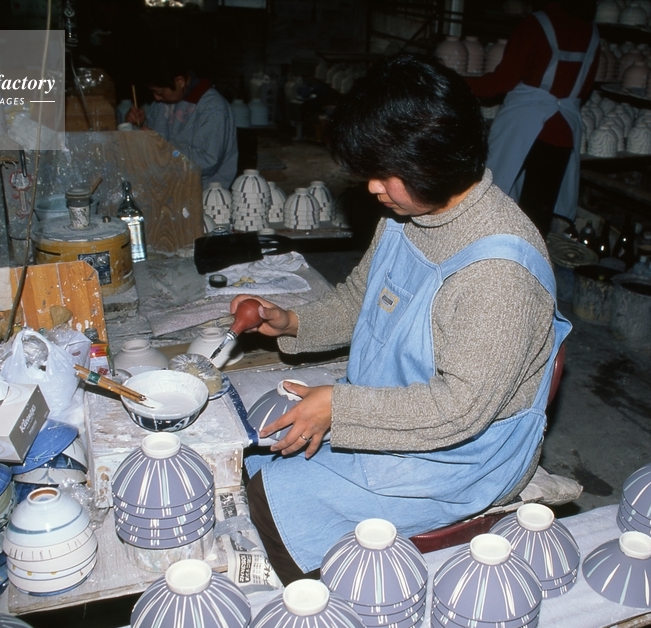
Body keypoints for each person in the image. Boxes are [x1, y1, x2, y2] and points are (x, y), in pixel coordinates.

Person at [233, 53, 571, 584]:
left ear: (432, 161)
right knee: (251, 444)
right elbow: (358, 301)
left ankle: (319, 611)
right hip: (400, 408)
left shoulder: (500, 273)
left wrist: (340, 407)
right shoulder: (409, 213)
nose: (372, 187)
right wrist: (292, 321)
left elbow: (458, 411)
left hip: (464, 456)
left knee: (271, 499)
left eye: (384, 173)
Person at [467, 1, 600, 237]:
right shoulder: (591, 32)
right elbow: (586, 86)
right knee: (537, 218)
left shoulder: (535, 24)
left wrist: (458, 82)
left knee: (495, 201)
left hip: (525, 127)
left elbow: (501, 82)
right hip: (563, 131)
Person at [125, 56, 238, 189]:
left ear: (180, 81)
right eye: (153, 92)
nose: (156, 97)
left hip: (203, 193)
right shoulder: (161, 103)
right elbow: (147, 145)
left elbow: (208, 163)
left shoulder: (213, 107)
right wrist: (135, 125)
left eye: (159, 92)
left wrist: (161, 146)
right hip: (165, 187)